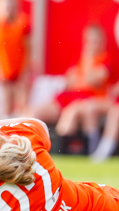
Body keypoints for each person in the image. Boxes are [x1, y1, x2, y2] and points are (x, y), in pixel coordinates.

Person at [32, 24, 110, 154]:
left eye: (95, 40)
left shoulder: (105, 59)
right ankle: (32, 149)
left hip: (89, 97)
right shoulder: (79, 59)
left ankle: (59, 149)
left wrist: (88, 60)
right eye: (89, 40)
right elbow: (68, 81)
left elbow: (92, 81)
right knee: (36, 112)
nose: (91, 44)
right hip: (70, 96)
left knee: (70, 113)